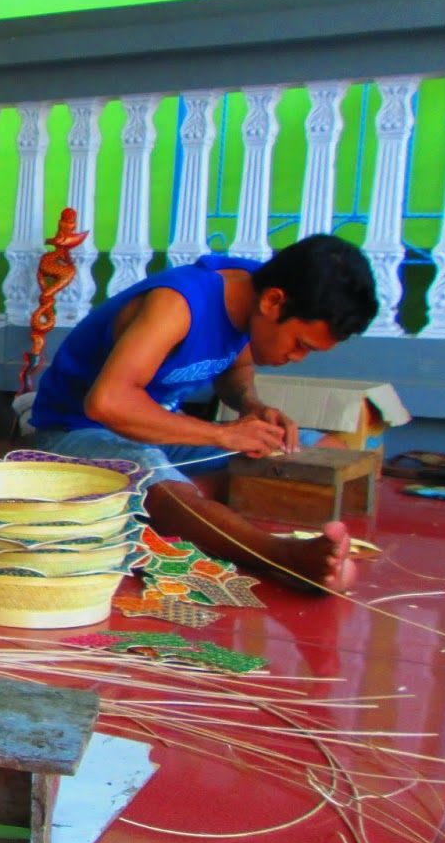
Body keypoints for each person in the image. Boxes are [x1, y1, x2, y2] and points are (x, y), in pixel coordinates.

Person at [25, 234, 379, 592]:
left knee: (325, 448)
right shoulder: (178, 304)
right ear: (274, 302)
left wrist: (253, 407)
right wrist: (223, 435)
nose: (298, 357)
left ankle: (196, 502)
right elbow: (106, 404)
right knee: (163, 487)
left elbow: (235, 370)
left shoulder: (251, 292)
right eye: (300, 344)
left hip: (160, 432)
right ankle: (284, 557)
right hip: (76, 432)